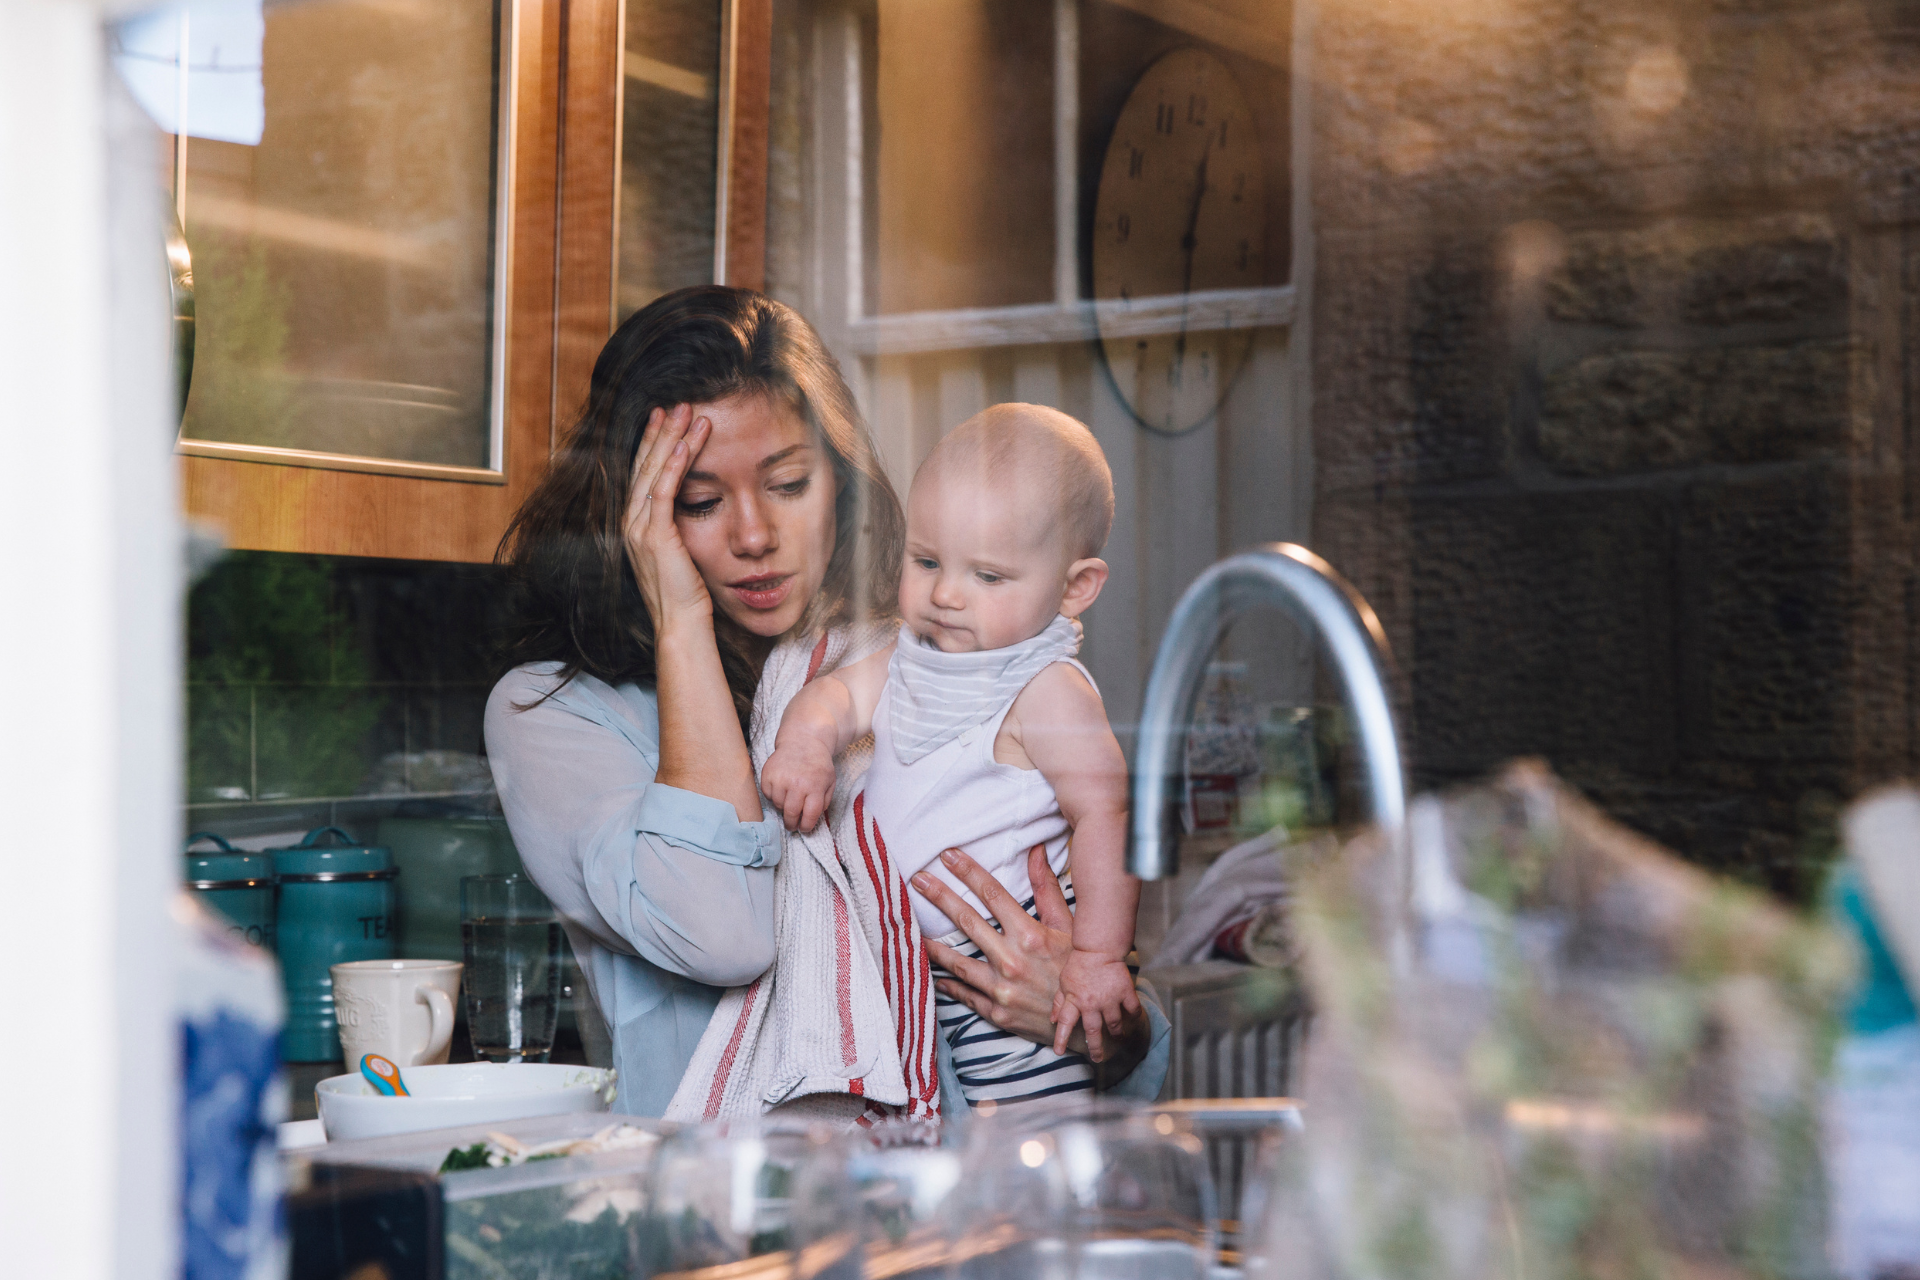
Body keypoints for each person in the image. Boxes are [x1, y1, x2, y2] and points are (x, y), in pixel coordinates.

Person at [483, 286, 1167, 1118]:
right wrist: (682, 618)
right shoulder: (555, 716)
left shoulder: (920, 663)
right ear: (633, 514)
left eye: (789, 483)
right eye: (698, 502)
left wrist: (1095, 1018)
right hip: (723, 1214)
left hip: (954, 1188)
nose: (753, 536)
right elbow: (724, 932)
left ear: (839, 484)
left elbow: (1122, 1027)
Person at [762, 404, 1138, 1111]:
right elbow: (835, 698)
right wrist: (805, 745)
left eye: (989, 577)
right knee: (943, 1151)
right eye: (927, 561)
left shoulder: (1045, 688)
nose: (944, 594)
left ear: (1073, 588)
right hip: (919, 976)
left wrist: (1095, 958)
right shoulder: (912, 659)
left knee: (1027, 1145)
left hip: (1011, 965)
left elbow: (1107, 815)